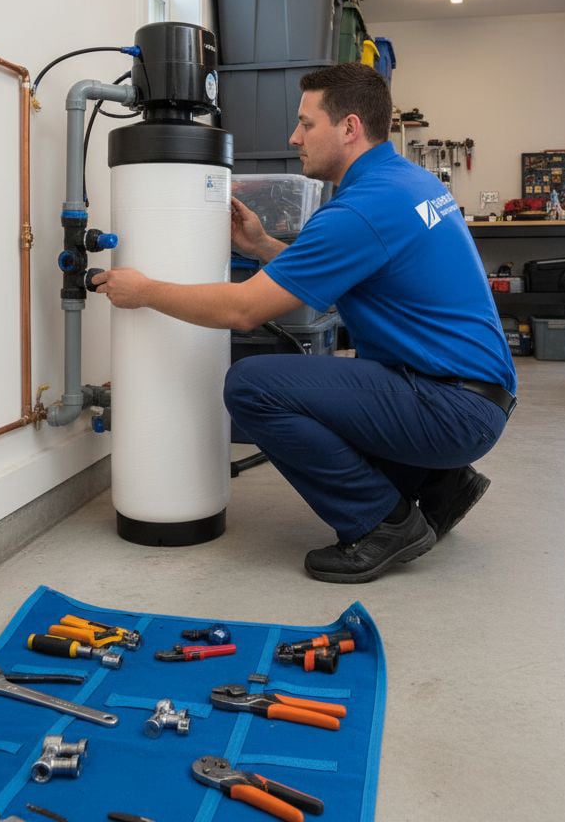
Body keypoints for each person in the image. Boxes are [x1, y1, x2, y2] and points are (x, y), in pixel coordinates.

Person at [92, 63, 516, 583]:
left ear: (350, 127)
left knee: (253, 386)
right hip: (476, 395)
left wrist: (145, 292)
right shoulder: (404, 181)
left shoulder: (361, 210)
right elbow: (349, 272)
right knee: (323, 383)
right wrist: (262, 246)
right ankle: (439, 485)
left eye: (306, 123)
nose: (294, 137)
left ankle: (384, 524)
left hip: (450, 408)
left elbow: (243, 310)